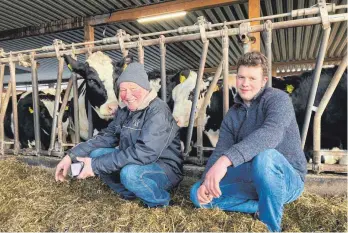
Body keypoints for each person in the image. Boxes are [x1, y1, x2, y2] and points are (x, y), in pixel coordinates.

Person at [190, 51, 307, 231]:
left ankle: (270, 226)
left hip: (286, 179)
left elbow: (271, 134)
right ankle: (259, 206)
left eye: (252, 78)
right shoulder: (232, 115)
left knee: (265, 158)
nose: (245, 83)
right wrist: (207, 179)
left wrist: (225, 161)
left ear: (264, 80)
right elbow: (220, 150)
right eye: (241, 77)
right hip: (251, 176)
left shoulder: (278, 99)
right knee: (197, 193)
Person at [55, 62, 183, 207]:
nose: (127, 95)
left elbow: (144, 153)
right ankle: (131, 194)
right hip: (137, 163)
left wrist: (95, 166)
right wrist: (70, 156)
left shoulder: (158, 111)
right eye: (123, 89)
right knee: (97, 153)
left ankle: (159, 202)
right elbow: (105, 138)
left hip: (164, 169)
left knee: (130, 174)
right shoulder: (125, 112)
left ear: (145, 88)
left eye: (133, 88)